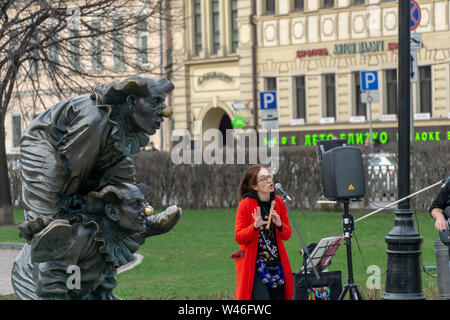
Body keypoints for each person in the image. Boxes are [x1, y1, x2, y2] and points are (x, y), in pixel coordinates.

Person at [18, 76, 174, 243]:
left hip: (77, 157)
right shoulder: (95, 119)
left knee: (124, 178)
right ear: (132, 102)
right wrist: (70, 208)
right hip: (44, 144)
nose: (166, 111)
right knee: (51, 171)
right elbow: (73, 169)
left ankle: (140, 220)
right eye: (156, 101)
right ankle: (45, 231)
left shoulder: (122, 123)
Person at [12, 182, 182, 300]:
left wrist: (153, 226)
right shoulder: (80, 235)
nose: (147, 210)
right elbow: (50, 282)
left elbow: (141, 231)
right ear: (112, 212)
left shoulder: (119, 230)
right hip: (34, 283)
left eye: (144, 203)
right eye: (136, 205)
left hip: (86, 290)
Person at [233, 164, 294, 300]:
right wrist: (254, 227)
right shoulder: (246, 204)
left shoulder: (278, 203)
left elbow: (287, 235)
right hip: (254, 266)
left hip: (275, 264)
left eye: (269, 177)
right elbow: (239, 237)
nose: (269, 181)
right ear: (255, 186)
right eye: (263, 179)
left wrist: (279, 224)